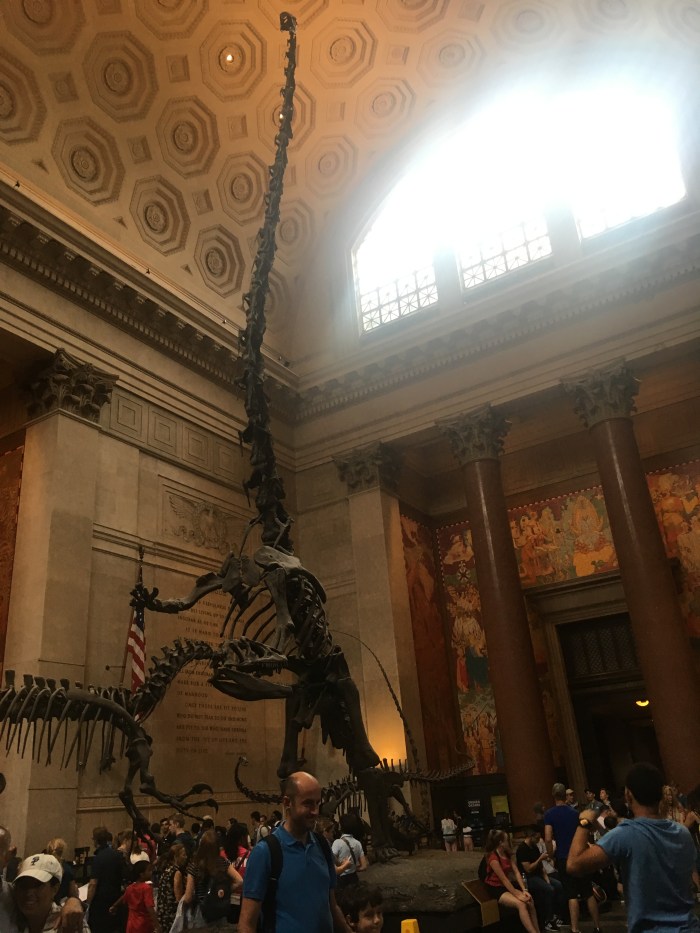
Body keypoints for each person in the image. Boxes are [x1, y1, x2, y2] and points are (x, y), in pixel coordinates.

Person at [568, 762, 700, 933]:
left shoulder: (627, 834)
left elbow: (574, 865)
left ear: (628, 795)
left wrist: (584, 822)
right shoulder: (682, 833)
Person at [238, 771, 352, 933]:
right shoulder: (265, 852)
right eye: (308, 804)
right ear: (287, 803)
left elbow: (332, 906)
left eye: (317, 803)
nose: (315, 811)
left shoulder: (322, 845)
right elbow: (246, 924)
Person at [544, 783, 601, 933]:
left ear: (553, 795)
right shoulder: (575, 813)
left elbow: (548, 838)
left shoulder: (549, 814)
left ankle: (575, 929)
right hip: (580, 855)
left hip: (564, 857)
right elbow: (587, 830)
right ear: (565, 795)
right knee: (588, 892)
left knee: (571, 894)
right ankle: (597, 926)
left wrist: (550, 855)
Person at [11, 853, 89, 933]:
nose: (29, 892)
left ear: (55, 889)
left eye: (37, 885)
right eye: (24, 884)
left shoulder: (70, 923)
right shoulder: (12, 917)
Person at [183, 828, 242, 928]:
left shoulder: (195, 865)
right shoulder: (223, 862)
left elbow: (188, 897)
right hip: (220, 908)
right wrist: (225, 891)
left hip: (202, 911)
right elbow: (239, 881)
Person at [483, 829, 539, 933]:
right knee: (521, 904)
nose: (509, 842)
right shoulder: (493, 858)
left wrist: (524, 890)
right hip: (495, 887)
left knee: (530, 900)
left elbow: (516, 872)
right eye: (506, 840)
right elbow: (504, 879)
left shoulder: (506, 854)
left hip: (506, 886)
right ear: (501, 843)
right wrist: (517, 894)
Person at [516, 825, 565, 932]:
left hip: (539, 875)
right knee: (549, 889)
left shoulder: (535, 847)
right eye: (537, 838)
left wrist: (547, 879)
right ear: (531, 836)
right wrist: (540, 859)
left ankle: (559, 915)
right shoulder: (522, 849)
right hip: (529, 878)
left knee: (558, 885)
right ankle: (548, 919)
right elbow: (528, 869)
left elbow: (541, 868)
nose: (538, 840)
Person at [86, 827, 128, 933]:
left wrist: (88, 903)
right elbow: (125, 878)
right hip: (115, 900)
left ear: (96, 840)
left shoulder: (98, 858)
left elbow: (93, 884)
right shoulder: (117, 855)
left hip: (99, 903)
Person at [110, 860, 160, 933]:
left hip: (131, 924)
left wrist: (114, 906)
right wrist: (157, 925)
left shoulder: (130, 887)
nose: (151, 872)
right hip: (143, 924)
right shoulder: (146, 888)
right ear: (141, 874)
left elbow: (124, 897)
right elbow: (150, 907)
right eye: (149, 870)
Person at [155, 843, 186, 933]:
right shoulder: (177, 873)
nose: (186, 857)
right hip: (171, 914)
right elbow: (178, 898)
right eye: (183, 855)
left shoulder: (166, 870)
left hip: (162, 912)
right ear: (176, 857)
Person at [331, 814, 368, 889]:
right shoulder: (358, 843)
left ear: (341, 827)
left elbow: (331, 864)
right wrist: (353, 869)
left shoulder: (337, 843)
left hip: (340, 880)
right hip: (354, 879)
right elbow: (364, 866)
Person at [45, 840, 79, 904]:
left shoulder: (43, 867)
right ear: (62, 852)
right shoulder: (67, 869)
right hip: (61, 906)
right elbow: (73, 894)